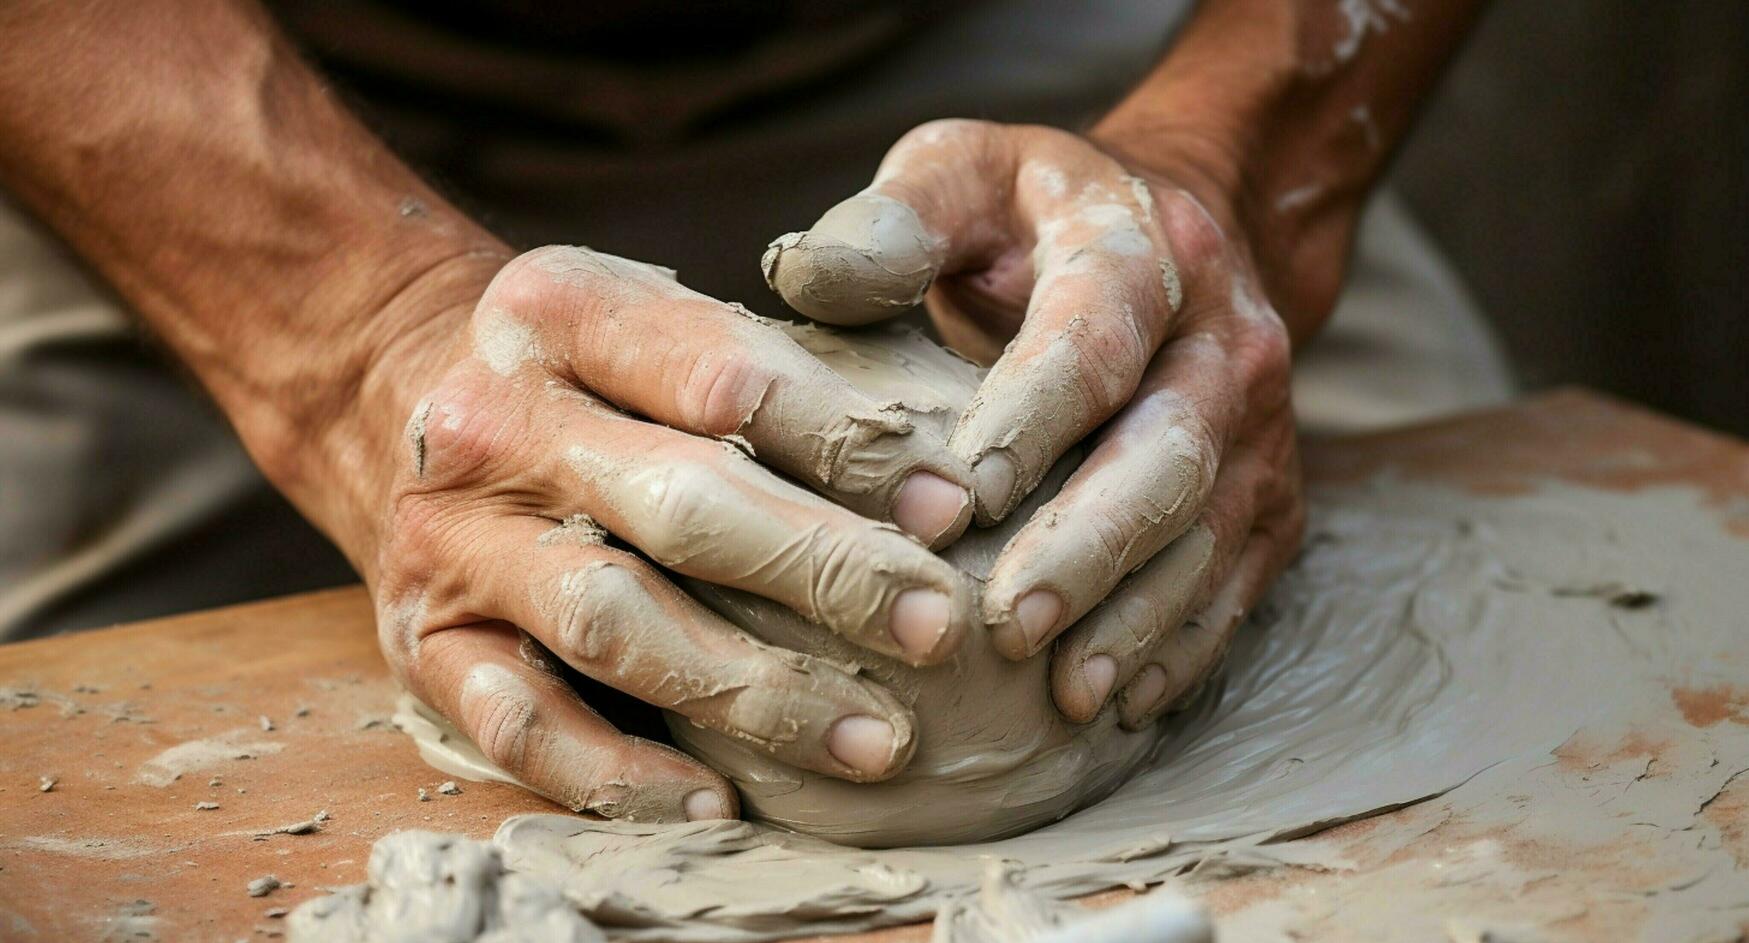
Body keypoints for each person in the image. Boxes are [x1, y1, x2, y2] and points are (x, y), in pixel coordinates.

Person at [0, 1, 1510, 822]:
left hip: (983, 53)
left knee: (1483, 593)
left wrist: (1230, 162)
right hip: (222, 85)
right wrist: (353, 336)